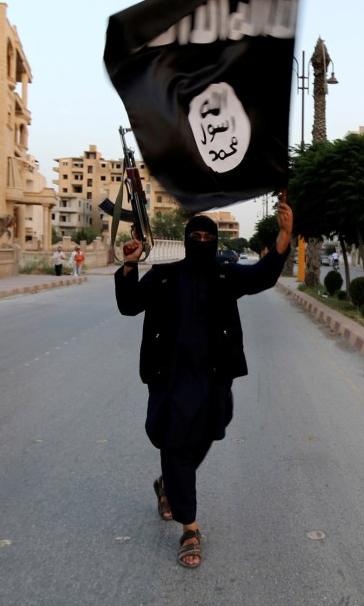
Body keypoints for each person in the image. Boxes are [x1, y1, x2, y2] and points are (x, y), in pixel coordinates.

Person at [115, 202, 293, 568]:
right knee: (176, 442)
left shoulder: (225, 275)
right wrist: (130, 264)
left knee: (211, 429)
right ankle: (190, 527)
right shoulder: (164, 277)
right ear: (186, 241)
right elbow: (130, 305)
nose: (201, 241)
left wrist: (285, 236)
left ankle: (168, 483)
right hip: (171, 379)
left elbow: (262, 275)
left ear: (214, 242)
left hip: (214, 379)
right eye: (195, 237)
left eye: (207, 237)